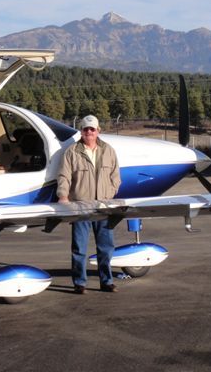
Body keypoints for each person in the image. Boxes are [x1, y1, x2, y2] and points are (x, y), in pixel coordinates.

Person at [57, 115, 121, 294]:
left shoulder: (108, 150)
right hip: (80, 207)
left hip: (104, 206)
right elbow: (64, 176)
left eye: (92, 129)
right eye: (86, 129)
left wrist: (110, 193)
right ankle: (79, 283)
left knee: (106, 247)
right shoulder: (72, 152)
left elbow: (116, 177)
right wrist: (63, 196)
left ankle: (106, 281)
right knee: (79, 247)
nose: (89, 132)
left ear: (98, 131)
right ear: (81, 132)